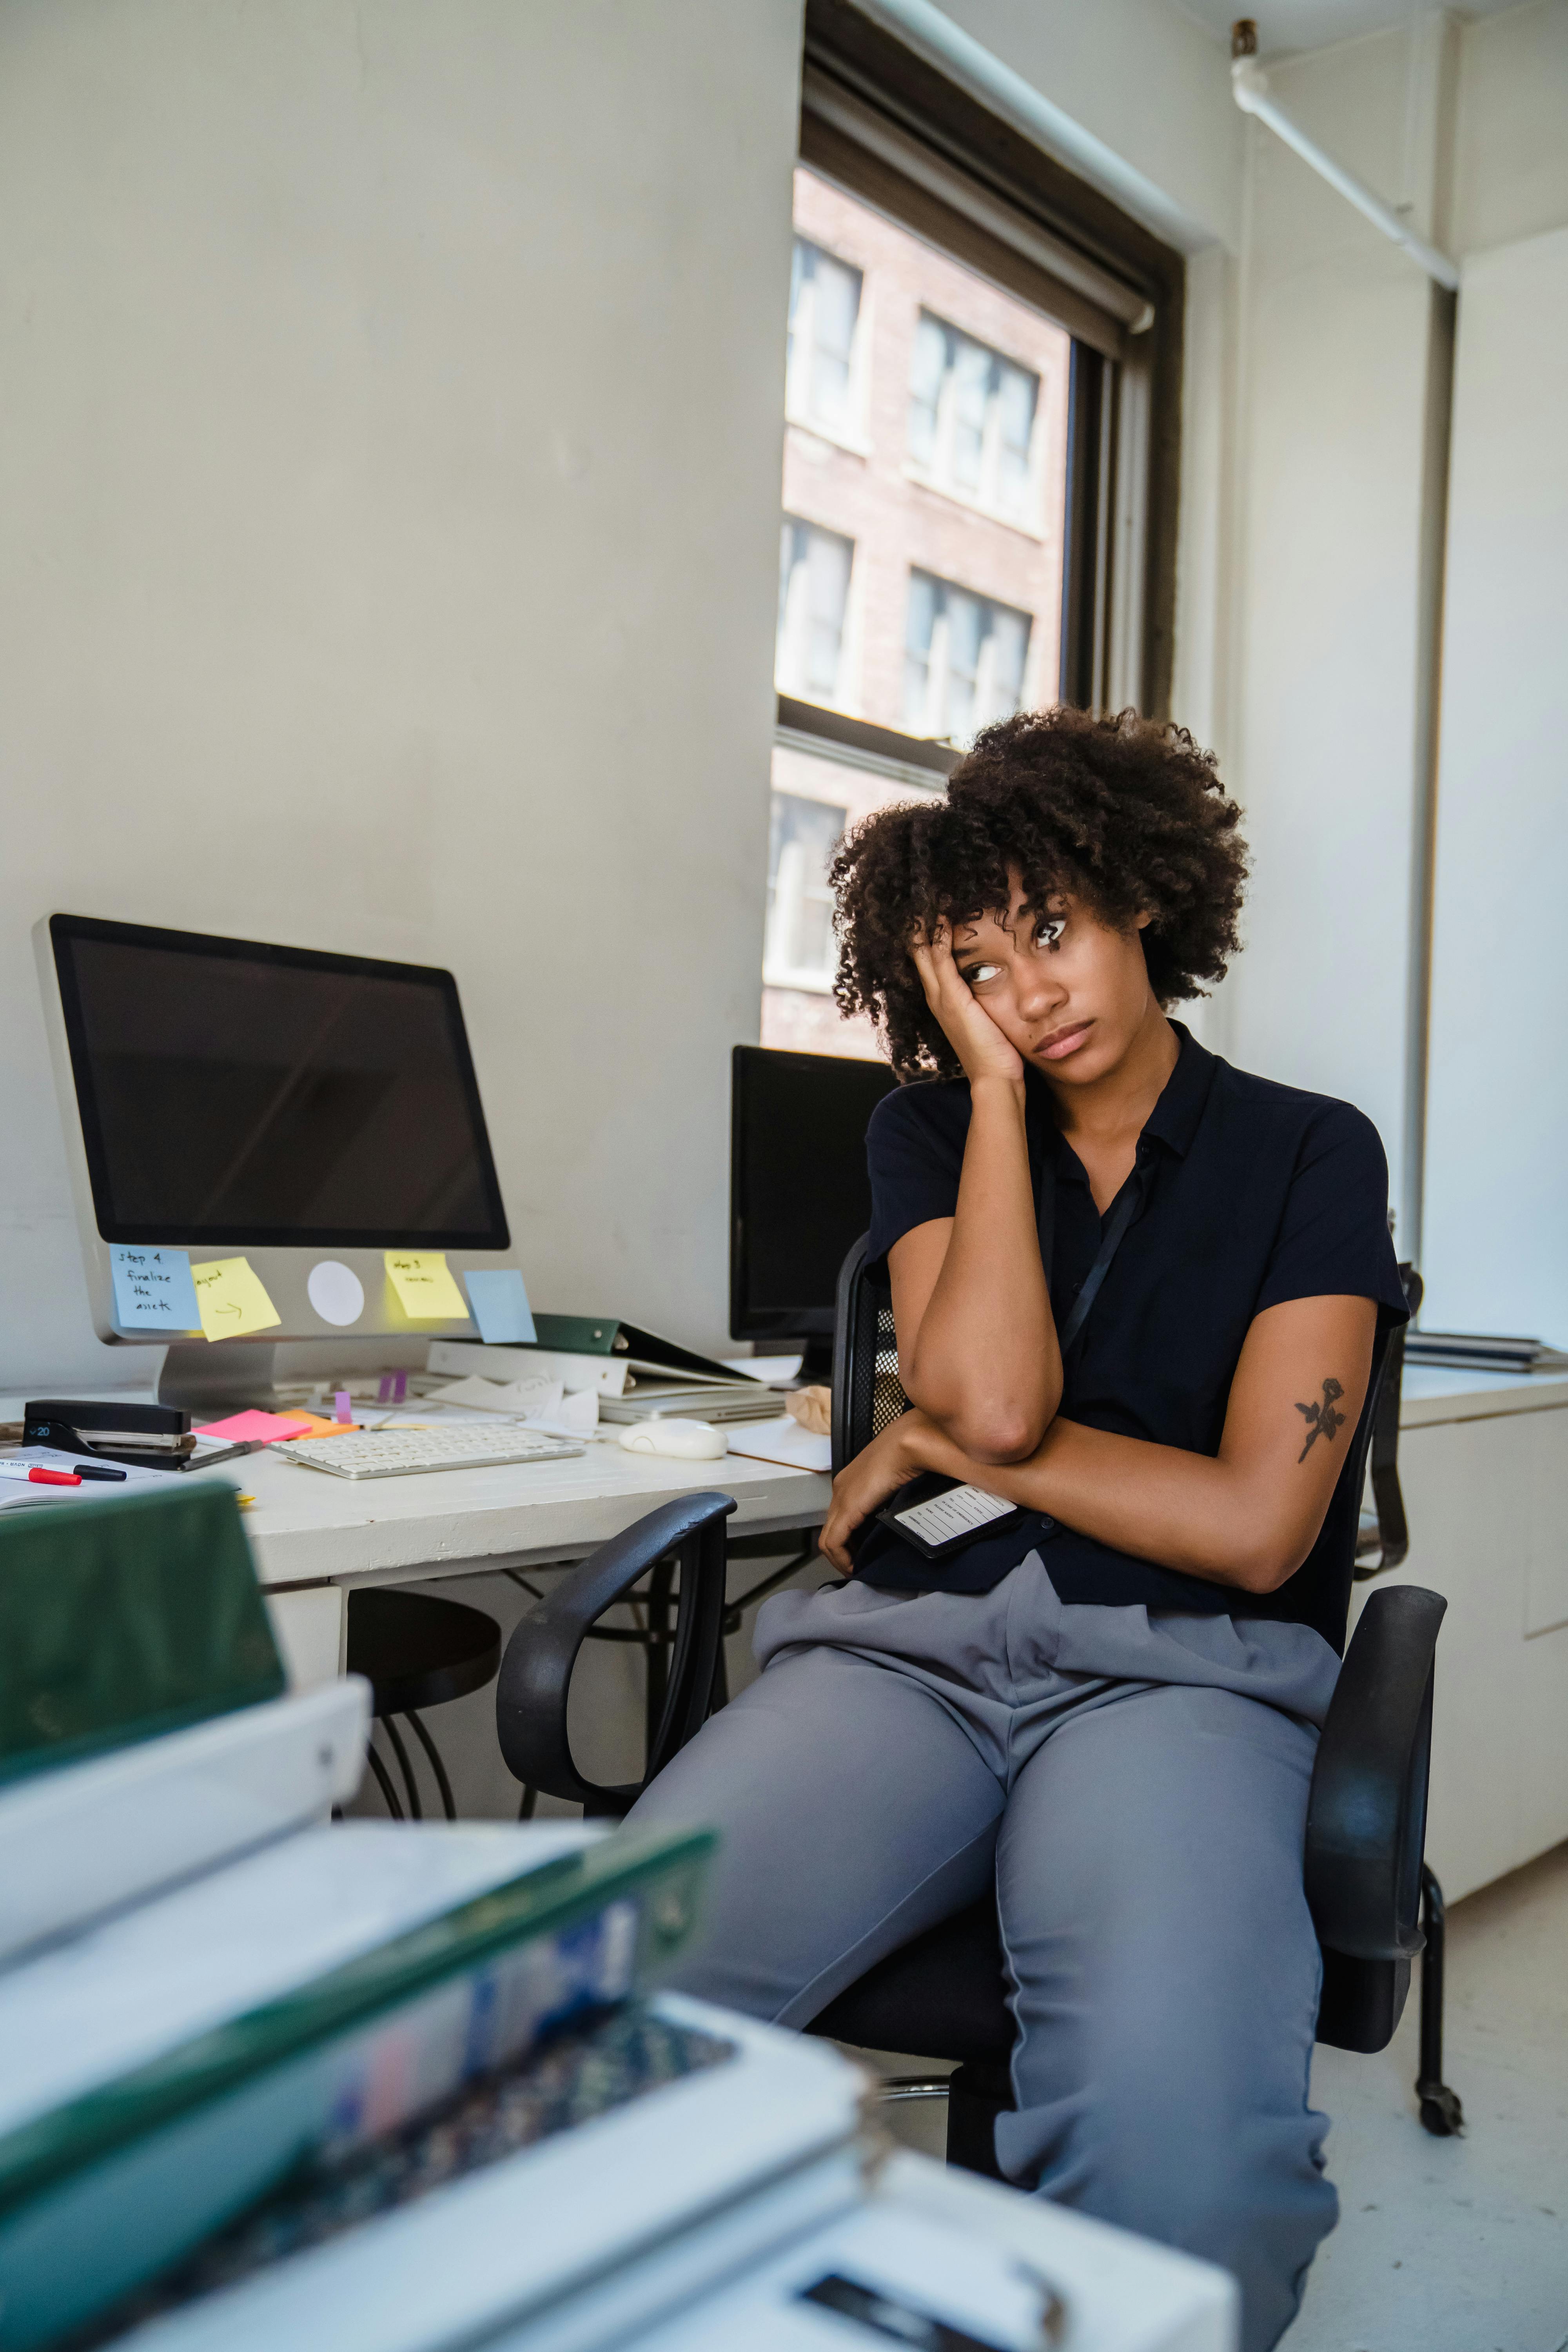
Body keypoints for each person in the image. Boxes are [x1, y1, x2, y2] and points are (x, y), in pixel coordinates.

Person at [628, 706, 1409, 2352]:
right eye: (974, 967)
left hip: (1183, 1681)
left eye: (1051, 931)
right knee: (592, 2010)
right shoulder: (927, 1132)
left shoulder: (1304, 1151)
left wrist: (920, 1429)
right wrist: (984, 1097)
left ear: (1141, 898)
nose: (1028, 990)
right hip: (907, 1657)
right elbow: (993, 1406)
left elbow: (1262, 1530)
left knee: (1182, 2179)